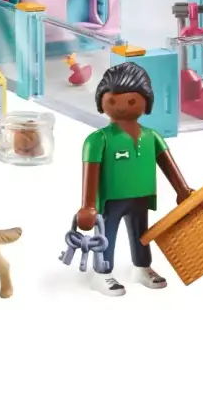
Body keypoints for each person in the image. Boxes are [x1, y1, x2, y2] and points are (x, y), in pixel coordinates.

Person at [79, 63, 193, 297]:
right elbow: (90, 172)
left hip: (141, 196)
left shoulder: (152, 137)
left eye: (131, 101)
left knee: (142, 235)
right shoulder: (98, 139)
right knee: (106, 235)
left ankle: (142, 267)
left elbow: (167, 163)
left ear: (146, 102)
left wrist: (181, 189)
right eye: (113, 101)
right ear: (102, 102)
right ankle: (102, 273)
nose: (121, 107)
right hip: (110, 199)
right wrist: (88, 206)